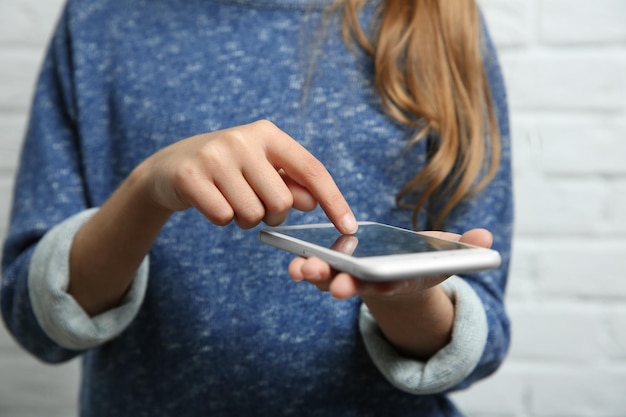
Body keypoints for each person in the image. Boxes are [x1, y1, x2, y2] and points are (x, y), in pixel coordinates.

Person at [1, 0, 513, 415]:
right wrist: (146, 189)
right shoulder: (100, 16)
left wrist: (404, 297)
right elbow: (37, 323)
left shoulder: (438, 18)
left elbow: (479, 345)